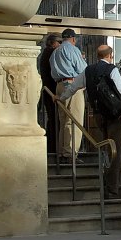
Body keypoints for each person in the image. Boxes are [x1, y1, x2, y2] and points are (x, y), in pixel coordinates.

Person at [59, 45, 121, 198]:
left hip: (97, 114)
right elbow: (120, 90)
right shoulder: (112, 69)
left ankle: (106, 175)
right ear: (110, 55)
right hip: (114, 114)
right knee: (116, 148)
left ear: (97, 55)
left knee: (104, 144)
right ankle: (112, 186)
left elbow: (73, 86)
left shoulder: (88, 70)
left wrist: (60, 98)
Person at [50, 28, 88, 162]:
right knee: (75, 120)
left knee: (64, 120)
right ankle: (70, 153)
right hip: (72, 84)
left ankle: (62, 152)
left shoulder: (55, 52)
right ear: (73, 39)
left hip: (59, 85)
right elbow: (83, 69)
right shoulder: (73, 50)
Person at [38, 33, 62, 154]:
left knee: (53, 119)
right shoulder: (51, 53)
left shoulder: (46, 53)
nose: (61, 45)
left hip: (49, 90)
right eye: (60, 42)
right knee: (54, 119)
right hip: (51, 90)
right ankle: (54, 147)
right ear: (54, 43)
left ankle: (52, 146)